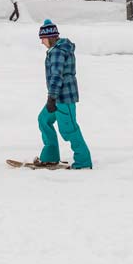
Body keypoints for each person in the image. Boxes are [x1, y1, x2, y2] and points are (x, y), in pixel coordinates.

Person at [36, 19, 92, 170]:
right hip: (57, 97)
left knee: (69, 129)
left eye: (42, 38)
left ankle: (83, 162)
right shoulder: (57, 50)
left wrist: (51, 98)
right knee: (44, 119)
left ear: (50, 37)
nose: (41, 42)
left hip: (63, 98)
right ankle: (50, 156)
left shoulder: (57, 52)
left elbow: (56, 76)